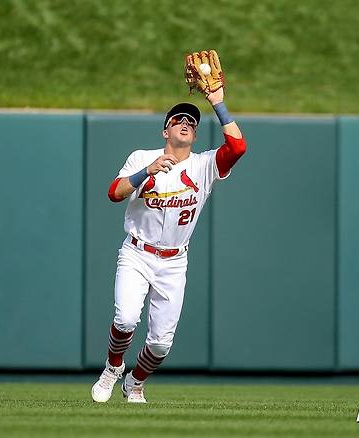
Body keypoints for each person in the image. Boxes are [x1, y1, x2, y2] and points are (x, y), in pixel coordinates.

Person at [91, 86, 246, 403]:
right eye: (178, 119)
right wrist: (144, 173)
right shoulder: (142, 158)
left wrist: (217, 102)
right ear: (165, 130)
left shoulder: (204, 165)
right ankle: (112, 367)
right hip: (137, 252)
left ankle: (135, 382)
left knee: (161, 343)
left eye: (191, 121)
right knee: (125, 320)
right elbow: (114, 193)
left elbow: (238, 147)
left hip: (174, 262)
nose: (186, 123)